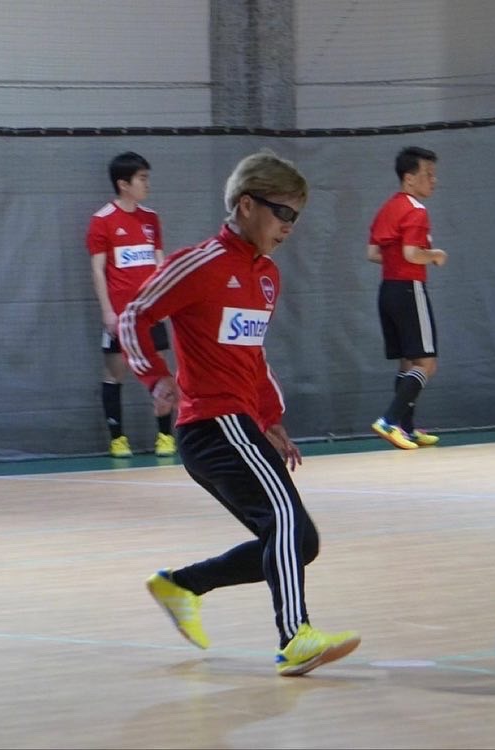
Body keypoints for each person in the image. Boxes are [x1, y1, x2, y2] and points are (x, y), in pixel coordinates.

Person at [120, 150, 360, 676]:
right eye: (283, 213)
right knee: (284, 518)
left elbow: (252, 356)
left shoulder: (267, 275)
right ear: (246, 205)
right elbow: (134, 314)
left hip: (239, 425)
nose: (290, 226)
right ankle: (295, 637)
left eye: (297, 217)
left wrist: (270, 418)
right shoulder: (199, 263)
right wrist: (155, 376)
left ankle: (182, 586)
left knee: (299, 541)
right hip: (213, 424)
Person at [86, 151, 175, 458]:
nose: (147, 184)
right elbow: (98, 270)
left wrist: (166, 301)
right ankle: (118, 439)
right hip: (121, 316)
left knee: (160, 371)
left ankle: (165, 436)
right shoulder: (102, 220)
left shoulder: (151, 218)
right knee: (115, 373)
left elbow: (160, 263)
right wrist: (107, 312)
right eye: (142, 179)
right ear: (123, 184)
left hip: (151, 313)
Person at [366, 146, 447, 450]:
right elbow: (412, 253)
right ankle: (389, 421)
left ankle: (406, 428)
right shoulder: (416, 210)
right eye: (428, 174)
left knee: (407, 362)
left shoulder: (388, 208)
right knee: (426, 364)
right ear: (409, 178)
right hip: (410, 289)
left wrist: (400, 260)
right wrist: (435, 255)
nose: (434, 180)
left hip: (388, 291)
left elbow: (373, 253)